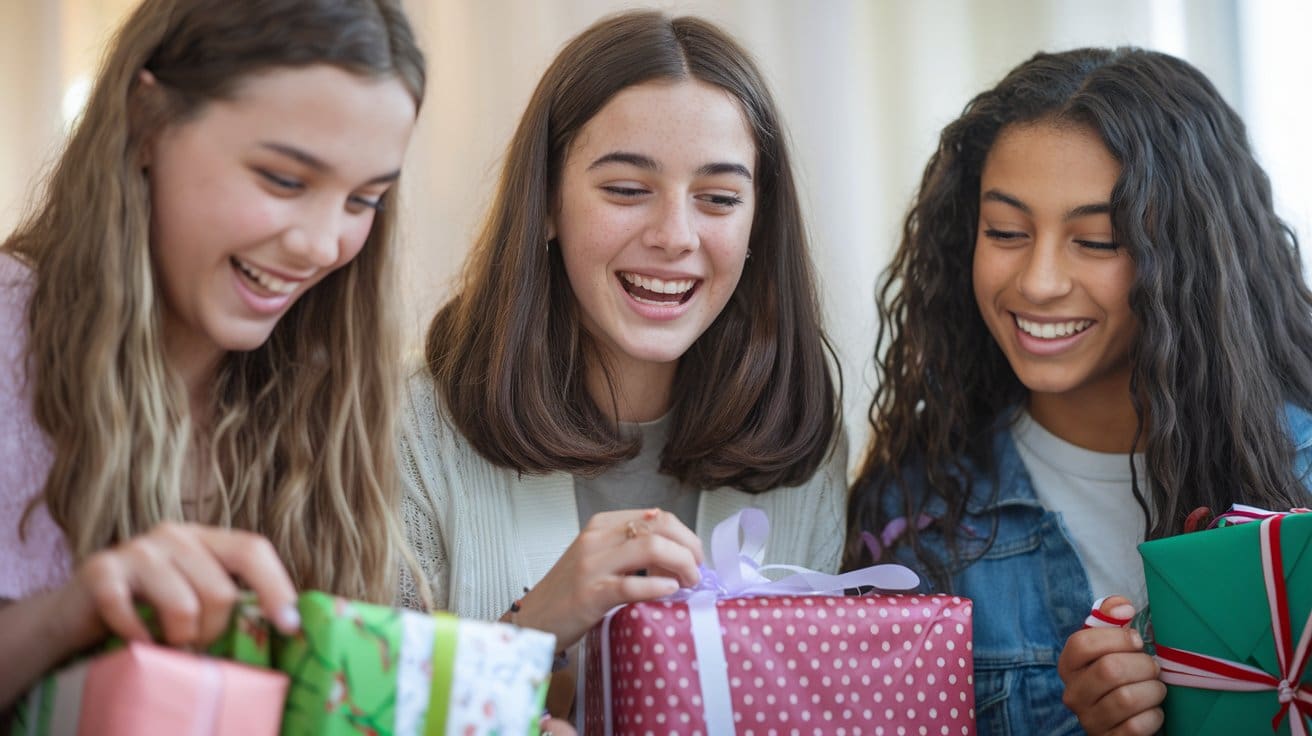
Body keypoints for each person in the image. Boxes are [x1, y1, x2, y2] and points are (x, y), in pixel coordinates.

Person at [844, 47, 1312, 735]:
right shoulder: (915, 519)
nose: (1037, 281)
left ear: (1187, 259)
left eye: (1095, 240)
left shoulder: (1300, 471)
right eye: (1005, 231)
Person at [398, 7, 845, 698]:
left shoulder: (801, 445)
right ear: (545, 202)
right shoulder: (413, 429)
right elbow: (359, 712)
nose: (675, 235)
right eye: (628, 190)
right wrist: (535, 626)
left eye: (719, 198)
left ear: (760, 220)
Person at [0, 0, 426, 708]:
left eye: (364, 200)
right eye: (284, 180)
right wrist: (71, 614)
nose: (324, 247)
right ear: (146, 124)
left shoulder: (328, 383)